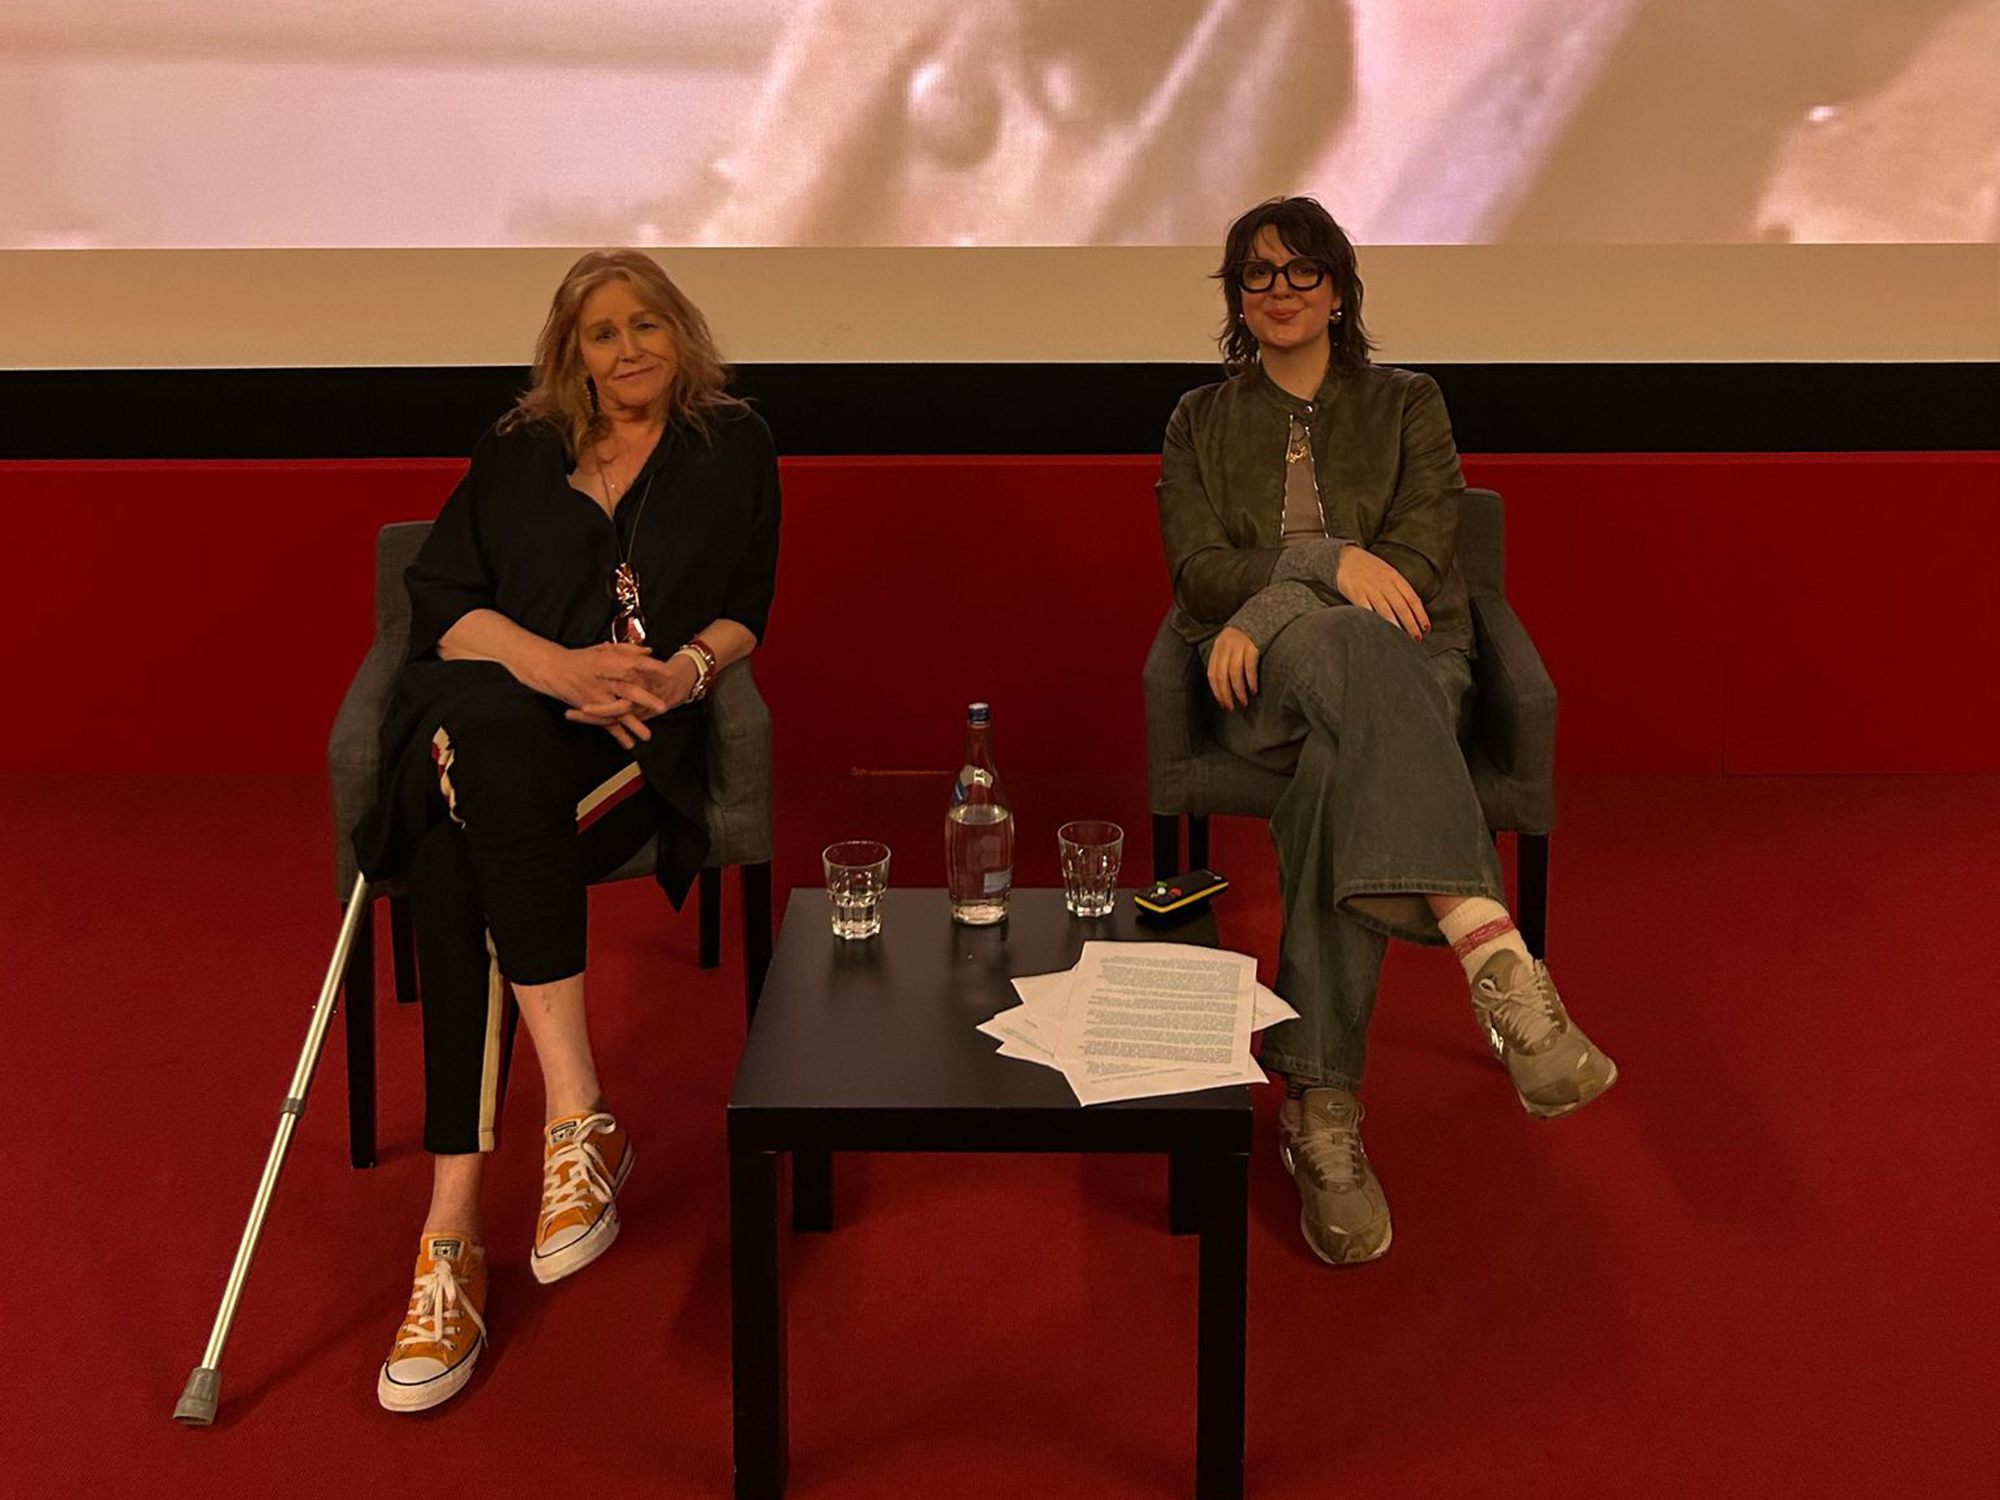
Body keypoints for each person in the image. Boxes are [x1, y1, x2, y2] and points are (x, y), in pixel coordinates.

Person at [352, 249, 781, 1410]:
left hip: (632, 751)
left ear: (679, 333)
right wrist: (558, 668)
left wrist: (681, 674)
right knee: (487, 778)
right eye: (602, 332)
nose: (628, 348)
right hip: (505, 728)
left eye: (647, 324)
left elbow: (746, 605)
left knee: (461, 849)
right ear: (570, 351)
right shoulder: (515, 450)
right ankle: (573, 1122)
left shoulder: (730, 442)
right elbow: (445, 607)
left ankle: (449, 1245)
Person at [1155, 196, 1616, 1267]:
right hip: (1260, 684)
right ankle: (1492, 954)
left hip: (1411, 673)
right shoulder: (1195, 420)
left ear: (1338, 286)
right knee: (1342, 658)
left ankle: (1319, 1107)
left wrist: (1275, 598)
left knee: (1342, 752)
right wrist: (1312, 573)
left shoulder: (1410, 404)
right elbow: (1193, 574)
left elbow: (1413, 559)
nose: (1277, 291)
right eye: (1254, 275)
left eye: (1298, 271)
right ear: (1235, 297)